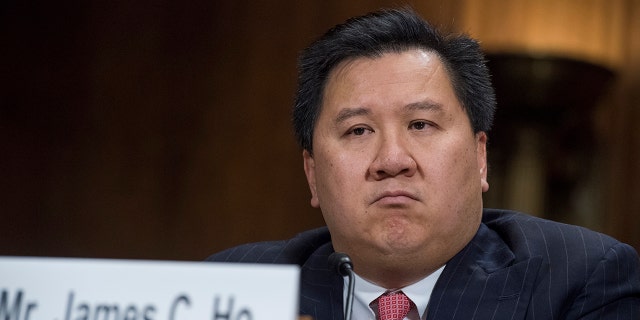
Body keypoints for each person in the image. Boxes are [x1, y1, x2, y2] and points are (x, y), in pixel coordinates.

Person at [207, 8, 640, 320]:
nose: (392, 161)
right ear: (313, 174)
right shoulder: (234, 288)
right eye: (358, 131)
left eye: (421, 124)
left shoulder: (580, 280)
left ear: (480, 157)